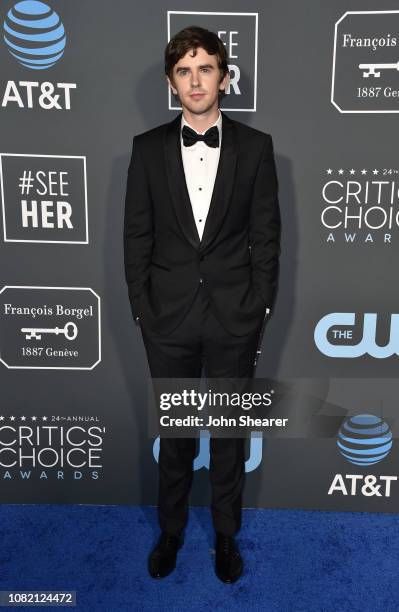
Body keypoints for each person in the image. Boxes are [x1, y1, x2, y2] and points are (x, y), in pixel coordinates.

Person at [124, 25, 280, 583]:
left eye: (205, 68)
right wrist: (144, 311)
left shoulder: (256, 148)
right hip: (167, 320)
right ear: (172, 81)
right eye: (185, 71)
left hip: (234, 317)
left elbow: (266, 236)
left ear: (224, 77)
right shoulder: (146, 150)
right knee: (176, 436)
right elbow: (136, 239)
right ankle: (170, 532)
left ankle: (225, 536)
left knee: (230, 438)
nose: (196, 80)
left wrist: (258, 306)